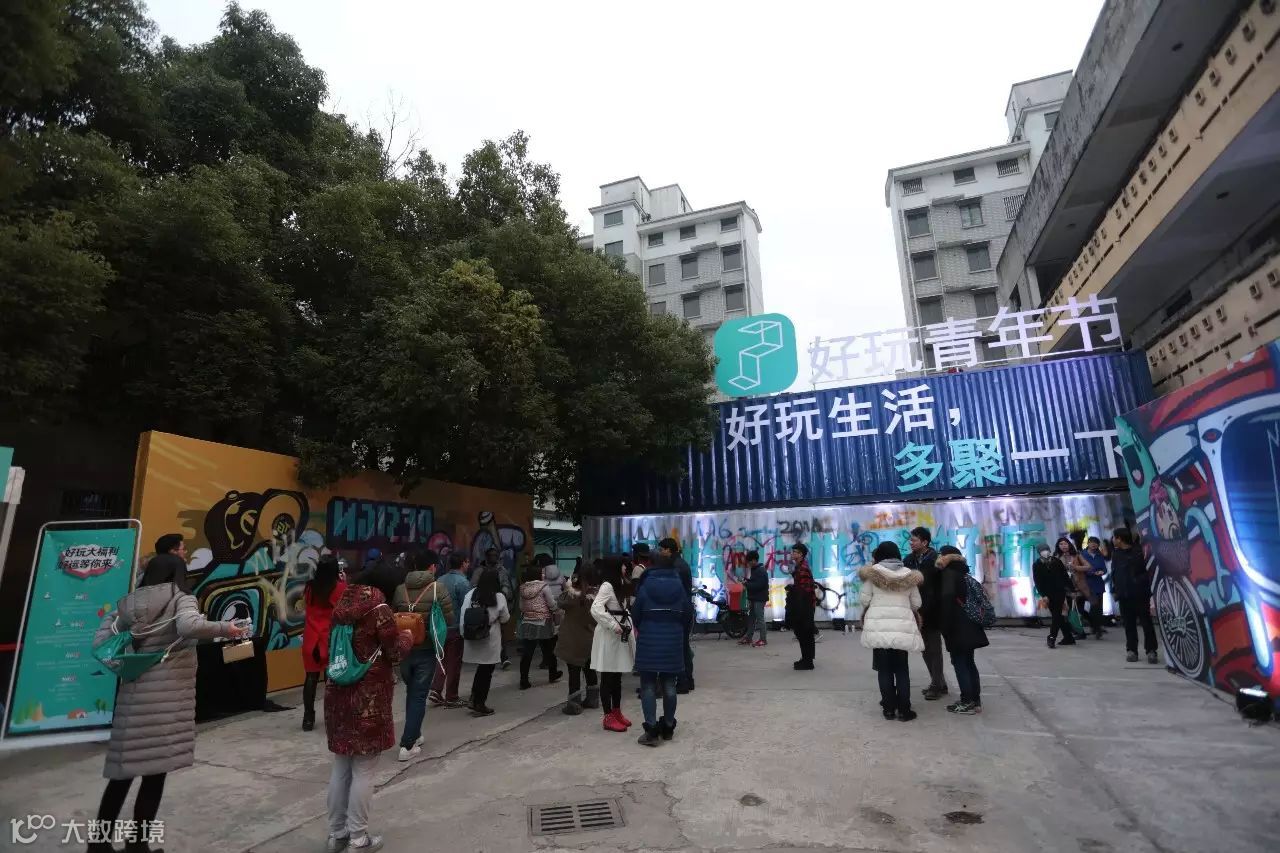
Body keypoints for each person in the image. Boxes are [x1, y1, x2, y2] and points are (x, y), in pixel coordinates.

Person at [90, 554, 249, 853]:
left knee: (121, 776)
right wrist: (226, 629)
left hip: (133, 700)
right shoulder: (181, 597)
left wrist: (128, 662)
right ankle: (137, 845)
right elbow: (188, 626)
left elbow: (101, 643)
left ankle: (97, 846)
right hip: (165, 701)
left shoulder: (130, 602)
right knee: (154, 776)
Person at [324, 561, 412, 853]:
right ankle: (358, 838)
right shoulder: (379, 609)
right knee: (364, 768)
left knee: (341, 765)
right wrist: (407, 637)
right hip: (368, 698)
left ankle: (337, 835)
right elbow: (394, 651)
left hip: (338, 694)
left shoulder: (341, 606)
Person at [391, 549, 452, 761]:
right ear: (432, 567)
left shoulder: (400, 589)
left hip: (404, 649)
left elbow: (393, 614)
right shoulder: (437, 588)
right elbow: (449, 618)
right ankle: (407, 745)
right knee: (418, 695)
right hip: (426, 649)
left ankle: (415, 733)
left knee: (412, 692)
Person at [631, 553, 694, 746]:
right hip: (672, 640)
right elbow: (687, 613)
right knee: (669, 684)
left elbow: (636, 614)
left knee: (648, 686)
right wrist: (676, 628)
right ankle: (667, 727)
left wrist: (646, 627)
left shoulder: (645, 585)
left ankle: (651, 730)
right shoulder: (679, 586)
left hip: (649, 640)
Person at [858, 541, 924, 721]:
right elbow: (917, 603)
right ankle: (904, 710)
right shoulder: (909, 575)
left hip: (879, 628)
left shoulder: (872, 574)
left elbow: (864, 600)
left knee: (884, 670)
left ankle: (888, 709)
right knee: (902, 670)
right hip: (902, 628)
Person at [936, 546, 988, 715]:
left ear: (946, 558)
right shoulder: (964, 573)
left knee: (960, 663)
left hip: (957, 625)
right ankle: (975, 700)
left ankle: (967, 702)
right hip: (970, 624)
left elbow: (947, 603)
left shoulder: (949, 575)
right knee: (969, 662)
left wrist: (944, 628)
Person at [302, 554, 348, 732]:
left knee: (310, 678)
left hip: (311, 638)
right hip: (329, 639)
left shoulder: (309, 587)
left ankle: (308, 718)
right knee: (331, 680)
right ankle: (332, 717)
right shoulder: (339, 587)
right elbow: (344, 609)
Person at [590, 557, 635, 732]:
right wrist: (612, 624)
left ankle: (616, 711)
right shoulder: (607, 586)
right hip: (609, 635)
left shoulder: (620, 584)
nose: (625, 567)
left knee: (617, 676)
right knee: (608, 677)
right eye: (622, 564)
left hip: (619, 633)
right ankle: (607, 716)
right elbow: (596, 608)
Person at [904, 527, 947, 699]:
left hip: (934, 611)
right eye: (911, 540)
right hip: (917, 611)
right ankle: (939, 682)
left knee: (934, 650)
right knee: (924, 649)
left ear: (925, 542)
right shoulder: (908, 560)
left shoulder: (937, 560)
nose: (911, 543)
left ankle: (937, 685)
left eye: (914, 540)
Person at [462, 568, 511, 716]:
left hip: (472, 636)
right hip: (489, 639)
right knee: (486, 672)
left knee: (481, 670)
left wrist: (463, 633)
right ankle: (480, 703)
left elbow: (463, 615)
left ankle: (473, 698)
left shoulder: (471, 594)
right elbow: (505, 618)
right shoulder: (498, 596)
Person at [430, 552, 473, 707]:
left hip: (440, 627)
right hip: (455, 628)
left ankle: (436, 690)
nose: (469, 564)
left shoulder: (439, 580)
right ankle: (452, 696)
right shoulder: (463, 582)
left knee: (441, 659)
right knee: (454, 663)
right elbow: (466, 607)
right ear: (463, 563)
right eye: (467, 562)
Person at [557, 562, 600, 714]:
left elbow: (560, 602)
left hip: (573, 638)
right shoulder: (598, 596)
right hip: (591, 637)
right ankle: (593, 699)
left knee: (574, 671)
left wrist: (569, 586)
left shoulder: (572, 596)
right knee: (590, 668)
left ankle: (574, 704)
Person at [1111, 528, 1158, 664]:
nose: (1113, 540)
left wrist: (1139, 582)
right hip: (1124, 595)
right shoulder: (1116, 554)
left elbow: (1147, 571)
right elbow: (1115, 573)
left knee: (1146, 623)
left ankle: (1151, 650)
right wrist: (1115, 590)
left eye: (1114, 537)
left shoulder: (1139, 551)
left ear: (1120, 539)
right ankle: (1131, 650)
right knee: (1129, 624)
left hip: (1140, 594)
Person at [657, 538, 696, 691]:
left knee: (680, 646)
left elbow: (673, 591)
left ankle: (684, 681)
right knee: (683, 646)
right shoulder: (679, 563)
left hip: (679, 611)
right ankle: (687, 679)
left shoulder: (676, 567)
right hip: (683, 609)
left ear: (668, 550)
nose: (660, 553)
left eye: (662, 550)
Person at [518, 563, 563, 688]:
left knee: (527, 652)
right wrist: (557, 609)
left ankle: (523, 680)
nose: (544, 575)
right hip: (543, 622)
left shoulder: (522, 588)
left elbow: (521, 607)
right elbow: (551, 604)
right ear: (537, 574)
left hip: (527, 622)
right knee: (549, 650)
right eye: (542, 573)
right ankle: (553, 674)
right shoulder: (544, 586)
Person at [1032, 544, 1075, 649]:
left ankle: (1052, 637)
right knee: (1058, 616)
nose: (1045, 552)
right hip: (1048, 594)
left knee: (1056, 615)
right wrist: (1043, 595)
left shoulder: (1057, 561)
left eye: (1046, 549)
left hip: (1059, 592)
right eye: (1042, 550)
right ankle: (1068, 637)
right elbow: (1038, 581)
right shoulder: (1037, 564)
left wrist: (1072, 590)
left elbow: (1065, 576)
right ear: (1039, 552)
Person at [786, 543, 817, 670]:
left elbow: (804, 591)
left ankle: (807, 661)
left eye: (795, 552)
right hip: (804, 604)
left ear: (801, 554)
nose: (792, 554)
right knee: (804, 633)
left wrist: (792, 590)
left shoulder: (803, 568)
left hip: (804, 605)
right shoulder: (799, 567)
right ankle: (806, 659)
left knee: (804, 633)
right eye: (793, 551)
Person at [1079, 536, 1108, 638]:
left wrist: (1102, 572)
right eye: (1092, 542)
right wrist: (1092, 572)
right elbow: (1081, 569)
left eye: (1096, 543)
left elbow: (1104, 568)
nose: (1094, 544)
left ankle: (1097, 627)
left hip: (1098, 583)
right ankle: (1096, 627)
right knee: (1094, 606)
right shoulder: (1082, 554)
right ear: (1088, 543)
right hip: (1087, 584)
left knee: (1098, 607)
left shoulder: (1099, 555)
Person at [742, 550, 770, 648]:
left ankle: (763, 639)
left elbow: (759, 585)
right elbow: (755, 582)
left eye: (749, 561)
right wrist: (748, 581)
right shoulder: (755, 569)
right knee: (751, 619)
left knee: (760, 619)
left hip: (759, 599)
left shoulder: (761, 570)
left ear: (754, 560)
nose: (748, 564)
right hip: (754, 598)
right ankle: (748, 637)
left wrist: (747, 584)